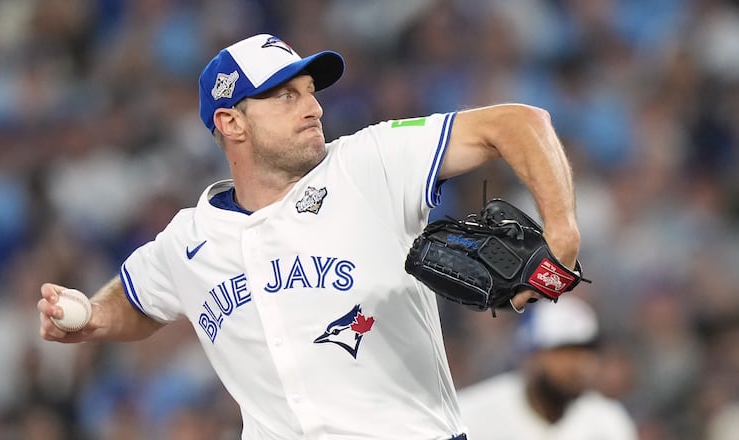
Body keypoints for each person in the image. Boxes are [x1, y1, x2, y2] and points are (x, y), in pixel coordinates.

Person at [38, 33, 583, 439]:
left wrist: (561, 234)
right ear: (231, 122)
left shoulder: (368, 164)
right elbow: (136, 300)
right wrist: (88, 316)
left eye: (310, 92)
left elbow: (519, 123)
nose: (314, 106)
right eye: (286, 96)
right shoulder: (188, 240)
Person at [457, 296, 637, 440]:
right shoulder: (472, 413)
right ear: (531, 356)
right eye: (564, 352)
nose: (579, 364)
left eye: (585, 352)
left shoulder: (608, 421)